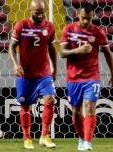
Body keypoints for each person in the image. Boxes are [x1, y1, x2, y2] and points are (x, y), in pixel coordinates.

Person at [60, 4, 113, 151]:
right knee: (76, 112)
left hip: (92, 77)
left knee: (89, 108)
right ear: (77, 14)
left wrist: (112, 73)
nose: (85, 21)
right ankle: (82, 138)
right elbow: (62, 53)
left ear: (92, 17)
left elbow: (108, 54)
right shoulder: (68, 29)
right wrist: (79, 50)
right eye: (83, 18)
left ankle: (88, 143)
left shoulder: (98, 32)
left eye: (89, 19)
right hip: (73, 78)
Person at [8, 0, 57, 149]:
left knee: (50, 99)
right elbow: (11, 47)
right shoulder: (21, 25)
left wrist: (54, 67)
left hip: (44, 73)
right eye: (37, 13)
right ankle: (27, 138)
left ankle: (45, 136)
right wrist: (16, 64)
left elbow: (52, 49)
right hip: (26, 74)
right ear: (31, 11)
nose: (41, 15)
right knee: (25, 106)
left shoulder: (49, 26)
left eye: (42, 12)